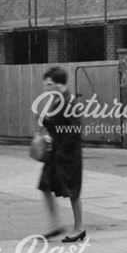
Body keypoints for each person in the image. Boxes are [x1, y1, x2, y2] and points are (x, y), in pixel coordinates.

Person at [37, 67, 85, 242]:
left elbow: (75, 130)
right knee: (44, 186)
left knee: (73, 191)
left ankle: (79, 228)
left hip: (68, 155)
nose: (46, 88)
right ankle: (55, 226)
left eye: (49, 84)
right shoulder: (57, 100)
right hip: (56, 154)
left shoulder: (69, 102)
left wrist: (60, 145)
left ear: (59, 84)